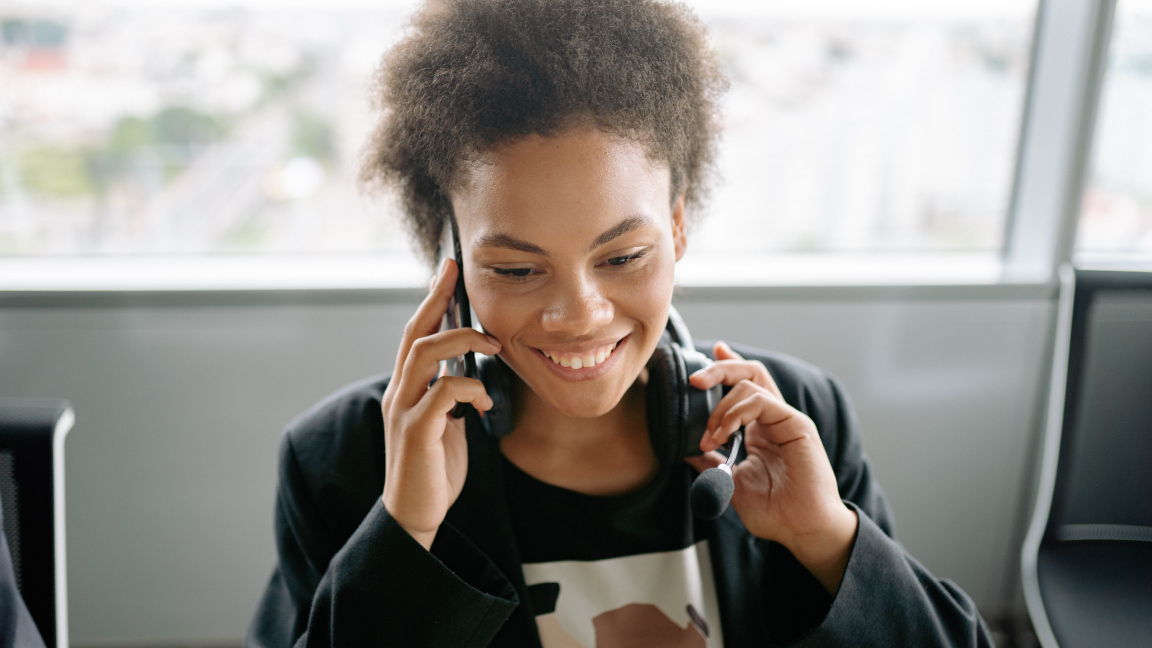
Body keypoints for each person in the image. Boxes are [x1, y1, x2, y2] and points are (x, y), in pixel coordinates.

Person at [246, 0, 994, 646]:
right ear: (454, 259)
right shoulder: (341, 463)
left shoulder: (800, 421)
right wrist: (404, 538)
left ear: (677, 229)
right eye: (515, 268)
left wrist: (827, 543)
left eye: (624, 256)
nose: (579, 315)